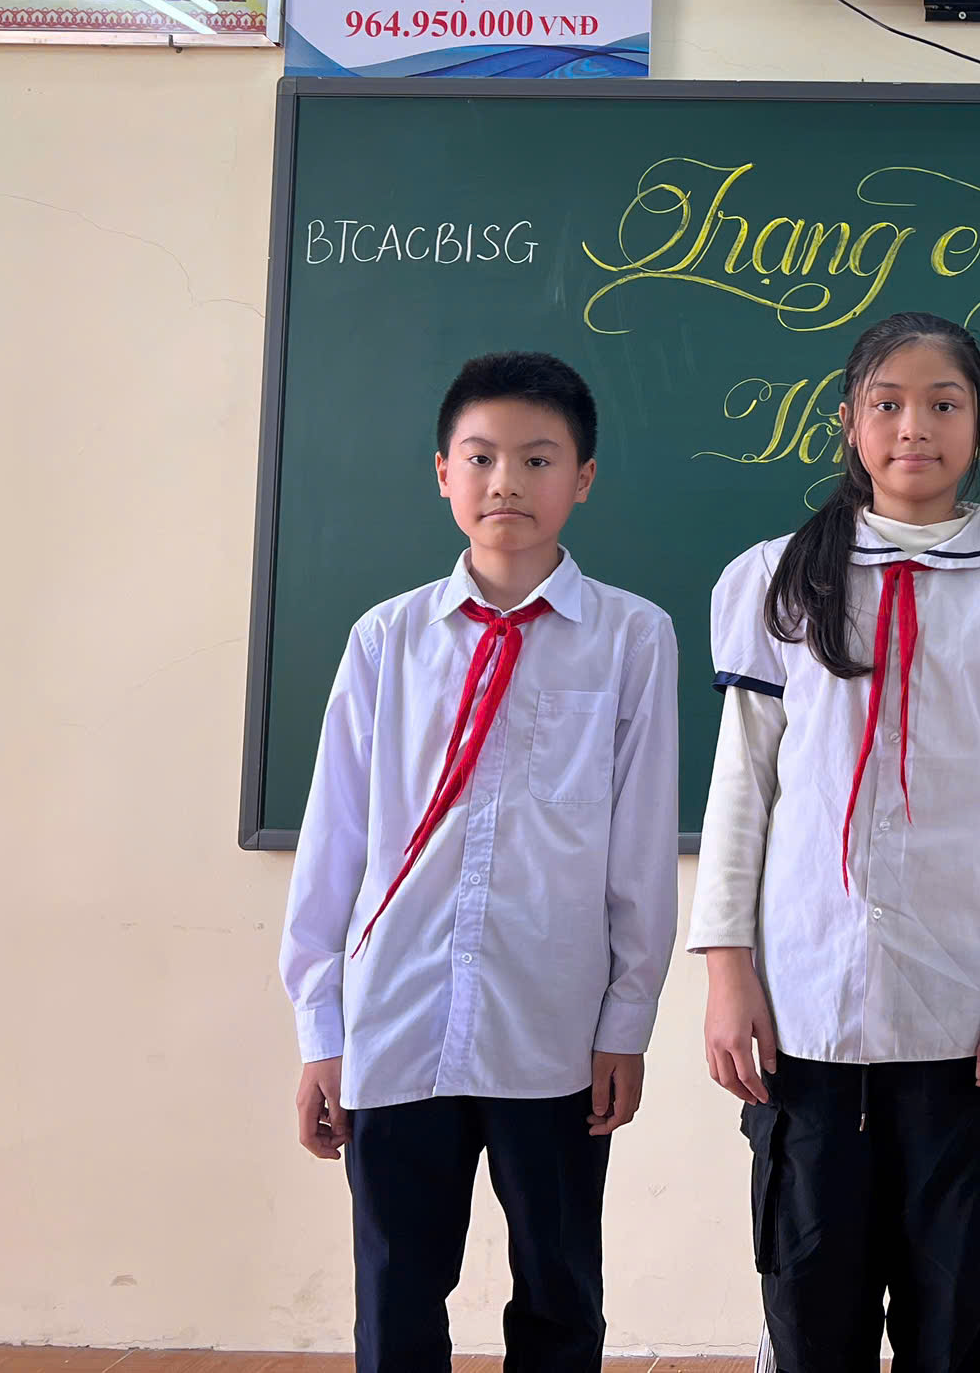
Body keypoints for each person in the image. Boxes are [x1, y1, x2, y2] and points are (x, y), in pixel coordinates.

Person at [691, 311, 980, 1373]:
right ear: (850, 422)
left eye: (944, 405)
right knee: (810, 1313)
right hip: (807, 1016)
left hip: (962, 1018)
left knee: (957, 1324)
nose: (916, 426)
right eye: (889, 404)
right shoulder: (777, 576)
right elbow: (744, 787)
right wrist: (727, 971)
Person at [281, 350, 680, 1373]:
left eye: (539, 459)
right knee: (396, 1293)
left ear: (583, 478)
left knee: (560, 1291)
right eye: (482, 457)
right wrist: (322, 1027)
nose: (508, 481)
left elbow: (640, 852)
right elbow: (333, 842)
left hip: (551, 1023)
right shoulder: (387, 640)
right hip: (397, 1015)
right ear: (443, 473)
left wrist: (625, 1023)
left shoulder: (632, 639)